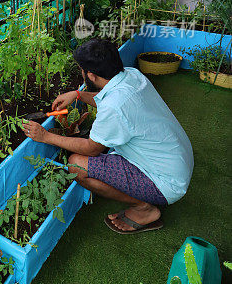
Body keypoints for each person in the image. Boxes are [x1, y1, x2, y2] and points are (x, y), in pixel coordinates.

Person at [22, 38, 194, 234]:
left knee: (76, 165)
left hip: (165, 182)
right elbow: (110, 101)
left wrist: (45, 137)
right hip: (176, 162)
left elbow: (91, 149)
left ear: (91, 75)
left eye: (81, 70)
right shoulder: (131, 75)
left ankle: (144, 208)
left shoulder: (115, 106)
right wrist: (77, 95)